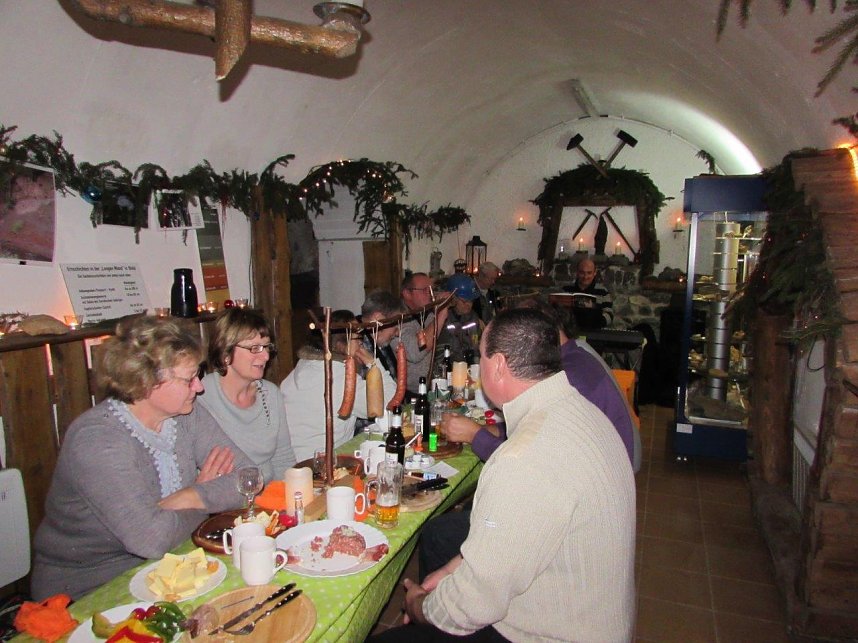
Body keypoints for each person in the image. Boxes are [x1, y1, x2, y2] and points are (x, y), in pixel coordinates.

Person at [375, 309, 636, 642]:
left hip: (552, 632)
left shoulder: (521, 460)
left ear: (497, 365)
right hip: (585, 612)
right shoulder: (580, 411)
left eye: (481, 357)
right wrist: (451, 570)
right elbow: (507, 542)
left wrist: (420, 608)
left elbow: (472, 604)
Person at [31, 316, 253, 600]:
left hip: (171, 566)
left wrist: (189, 496)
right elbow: (152, 539)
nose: (199, 387)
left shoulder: (186, 414)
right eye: (189, 379)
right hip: (87, 589)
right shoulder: (97, 440)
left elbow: (249, 477)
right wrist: (205, 500)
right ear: (148, 382)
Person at [420, 298, 638, 580]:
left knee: (438, 533)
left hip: (576, 530)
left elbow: (528, 458)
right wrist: (484, 428)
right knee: (476, 506)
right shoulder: (570, 363)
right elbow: (533, 433)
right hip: (587, 497)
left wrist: (475, 434)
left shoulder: (571, 378)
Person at [281, 309, 397, 461]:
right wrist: (373, 363)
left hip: (295, 460)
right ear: (342, 344)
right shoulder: (340, 378)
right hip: (322, 463)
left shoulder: (303, 366)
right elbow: (390, 402)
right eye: (357, 337)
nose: (361, 342)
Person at [198, 308, 295, 483]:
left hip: (268, 496)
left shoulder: (271, 394)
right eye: (254, 348)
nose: (265, 356)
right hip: (227, 500)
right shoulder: (202, 396)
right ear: (226, 353)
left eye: (266, 347)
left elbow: (283, 458)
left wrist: (285, 498)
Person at [396, 272, 449, 396]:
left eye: (432, 289)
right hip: (408, 394)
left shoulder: (429, 315)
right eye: (425, 290)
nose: (431, 294)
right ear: (407, 293)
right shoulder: (398, 319)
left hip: (434, 387)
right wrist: (441, 314)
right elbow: (415, 352)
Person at [436, 273, 483, 363]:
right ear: (452, 299)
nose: (469, 305)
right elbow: (439, 356)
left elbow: (477, 345)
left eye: (471, 301)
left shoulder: (473, 318)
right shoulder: (442, 320)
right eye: (465, 301)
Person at [360, 290, 406, 381]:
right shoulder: (360, 348)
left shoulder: (382, 344)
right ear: (378, 319)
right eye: (395, 325)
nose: (397, 333)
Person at [564, 257, 614, 329]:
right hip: (570, 332)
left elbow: (609, 315)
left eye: (589, 273)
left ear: (595, 272)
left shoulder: (603, 292)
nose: (585, 277)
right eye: (582, 273)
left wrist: (596, 319)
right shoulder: (566, 289)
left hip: (595, 333)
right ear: (577, 272)